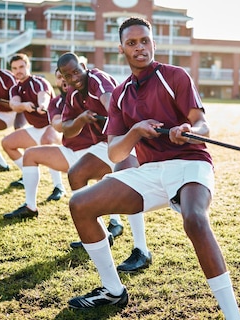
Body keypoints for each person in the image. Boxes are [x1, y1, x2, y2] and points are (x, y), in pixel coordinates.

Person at [65, 17, 240, 319]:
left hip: (190, 163)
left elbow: (203, 124)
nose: (140, 48)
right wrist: (135, 132)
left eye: (144, 41)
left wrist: (188, 128)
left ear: (153, 43)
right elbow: (115, 150)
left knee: (195, 220)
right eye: (132, 43)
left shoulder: (175, 76)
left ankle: (232, 315)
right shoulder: (119, 94)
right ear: (122, 49)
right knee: (80, 204)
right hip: (150, 172)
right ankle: (113, 290)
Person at [57, 52, 151, 272]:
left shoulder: (97, 78)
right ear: (62, 78)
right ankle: (102, 234)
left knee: (127, 182)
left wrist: (112, 118)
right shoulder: (72, 93)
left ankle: (142, 250)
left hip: (127, 135)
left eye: (76, 71)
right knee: (76, 175)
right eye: (68, 76)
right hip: (105, 143)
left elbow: (111, 104)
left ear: (83, 66)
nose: (74, 78)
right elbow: (68, 129)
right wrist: (81, 119)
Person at [2, 53, 64, 202]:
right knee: (7, 143)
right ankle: (28, 173)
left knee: (47, 140)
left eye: (21, 67)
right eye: (15, 68)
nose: (18, 71)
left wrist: (42, 105)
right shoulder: (15, 89)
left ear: (28, 66)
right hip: (36, 128)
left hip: (53, 125)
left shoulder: (39, 82)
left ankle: (59, 186)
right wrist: (24, 106)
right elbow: (14, 104)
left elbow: (44, 97)